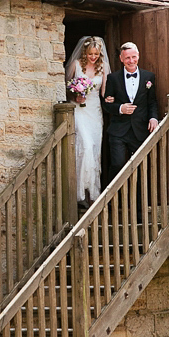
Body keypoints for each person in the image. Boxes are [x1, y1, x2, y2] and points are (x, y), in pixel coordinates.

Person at [64, 36, 110, 208]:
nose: (93, 57)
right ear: (85, 52)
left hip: (95, 111)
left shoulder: (104, 67)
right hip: (79, 110)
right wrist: (75, 95)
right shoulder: (76, 65)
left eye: (96, 54)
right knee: (85, 146)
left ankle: (93, 192)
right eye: (90, 54)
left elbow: (104, 92)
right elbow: (65, 87)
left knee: (95, 150)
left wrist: (112, 99)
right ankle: (79, 193)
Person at [103, 42, 159, 181]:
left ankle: (139, 202)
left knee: (141, 166)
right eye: (127, 58)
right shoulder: (113, 78)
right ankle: (113, 201)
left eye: (134, 57)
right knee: (117, 164)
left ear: (138, 56)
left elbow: (152, 101)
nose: (131, 61)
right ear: (121, 59)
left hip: (140, 130)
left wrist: (153, 118)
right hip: (118, 131)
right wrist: (120, 108)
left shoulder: (149, 77)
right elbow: (107, 104)